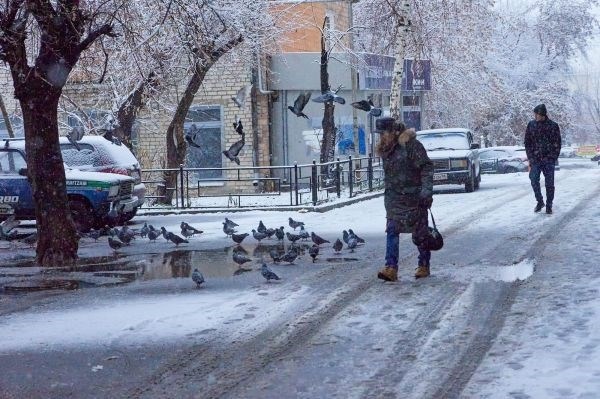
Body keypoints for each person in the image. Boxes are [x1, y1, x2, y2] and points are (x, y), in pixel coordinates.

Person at [376, 117, 434, 282]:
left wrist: (426, 191)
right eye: (380, 134)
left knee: (420, 232)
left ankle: (423, 265)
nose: (381, 137)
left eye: (384, 133)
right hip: (394, 199)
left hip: (414, 198)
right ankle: (391, 268)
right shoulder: (387, 149)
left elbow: (426, 167)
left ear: (393, 131)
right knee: (392, 230)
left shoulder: (411, 145)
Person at [524, 104, 561, 214]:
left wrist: (553, 157)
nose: (535, 116)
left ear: (542, 114)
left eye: (537, 114)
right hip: (535, 159)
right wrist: (530, 157)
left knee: (549, 184)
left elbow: (557, 143)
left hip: (548, 160)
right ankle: (540, 201)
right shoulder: (531, 125)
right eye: (535, 114)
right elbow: (527, 142)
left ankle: (549, 205)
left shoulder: (553, 126)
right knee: (534, 179)